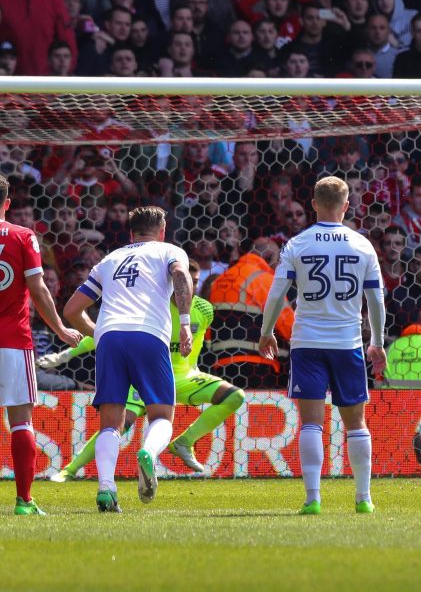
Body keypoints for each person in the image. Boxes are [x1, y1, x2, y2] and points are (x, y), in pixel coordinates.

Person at [43, 261, 246, 480]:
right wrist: (65, 355)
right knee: (120, 423)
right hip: (149, 376)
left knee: (234, 396)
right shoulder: (150, 307)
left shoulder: (204, 309)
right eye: (187, 281)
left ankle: (184, 442)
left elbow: (194, 346)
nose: (190, 287)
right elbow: (105, 332)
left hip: (184, 377)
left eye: (195, 282)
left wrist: (194, 369)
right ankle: (70, 470)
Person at [258, 176, 386, 515]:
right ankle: (363, 499)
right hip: (348, 343)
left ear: (313, 204)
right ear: (346, 206)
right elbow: (376, 299)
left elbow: (277, 293)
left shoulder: (297, 244)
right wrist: (378, 341)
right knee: (356, 423)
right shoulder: (362, 246)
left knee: (311, 423)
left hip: (308, 343)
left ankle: (313, 498)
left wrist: (266, 331)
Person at [63, 206, 193, 513]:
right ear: (162, 230)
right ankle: (147, 452)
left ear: (131, 232)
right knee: (161, 415)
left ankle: (106, 489)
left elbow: (71, 311)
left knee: (111, 421)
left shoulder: (109, 260)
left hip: (111, 336)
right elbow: (180, 275)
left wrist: (97, 334)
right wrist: (184, 321)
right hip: (147, 334)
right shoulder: (169, 250)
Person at [0, 176, 82, 515]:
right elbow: (39, 289)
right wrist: (60, 328)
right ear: (7, 202)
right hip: (13, 341)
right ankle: (24, 501)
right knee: (21, 421)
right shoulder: (23, 236)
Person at [208, 238, 294, 389]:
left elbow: (208, 331)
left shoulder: (220, 280)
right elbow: (290, 327)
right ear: (268, 257)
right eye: (279, 260)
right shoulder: (263, 279)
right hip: (257, 367)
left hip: (220, 366)